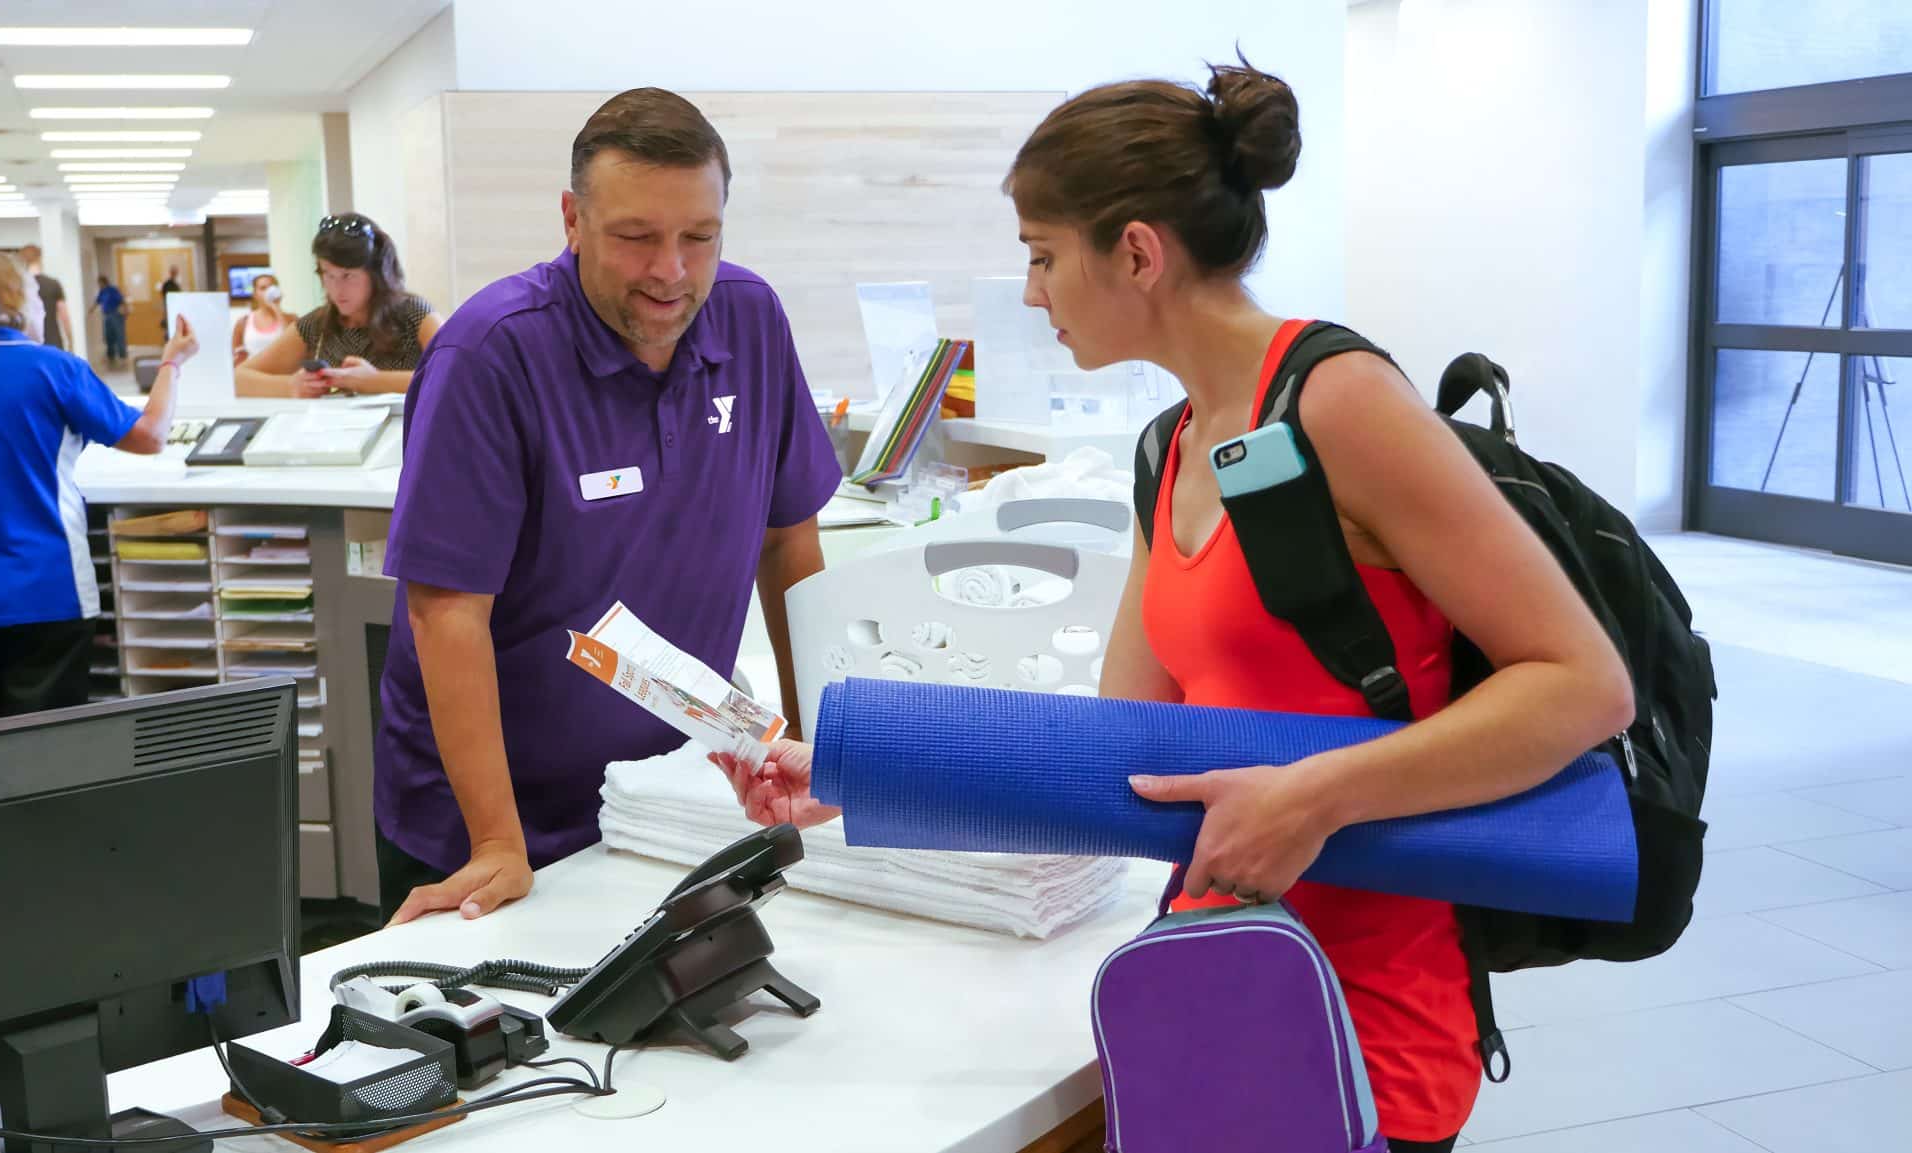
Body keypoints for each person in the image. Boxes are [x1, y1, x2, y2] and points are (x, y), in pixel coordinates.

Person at [711, 62, 1632, 1153]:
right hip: (1221, 975)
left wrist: (1315, 797)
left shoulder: (1342, 403)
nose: (1032, 291)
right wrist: (852, 774)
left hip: (1367, 1024)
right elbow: (1116, 752)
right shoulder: (1173, 444)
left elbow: (1584, 686)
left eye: (1043, 255)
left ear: (1137, 252)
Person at [376, 87, 842, 926]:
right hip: (497, 817)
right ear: (572, 219)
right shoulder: (490, 355)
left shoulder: (751, 321)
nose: (670, 271)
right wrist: (494, 841)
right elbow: (446, 612)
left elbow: (790, 546)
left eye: (699, 238)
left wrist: (822, 757)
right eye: (635, 238)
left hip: (669, 795)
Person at [0, 252, 196, 725]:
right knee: (43, 754)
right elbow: (151, 436)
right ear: (17, 302)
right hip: (48, 592)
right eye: (36, 295)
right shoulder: (54, 368)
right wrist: (171, 363)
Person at [234, 215, 441, 397]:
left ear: (376, 274)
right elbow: (239, 379)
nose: (337, 289)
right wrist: (291, 386)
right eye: (328, 274)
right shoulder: (316, 324)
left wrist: (374, 381)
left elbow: (456, 375)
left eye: (347, 276)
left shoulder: (414, 313)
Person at [20, 244, 71, 353]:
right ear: (39, 258)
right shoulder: (53, 284)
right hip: (52, 342)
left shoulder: (18, 286)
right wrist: (70, 341)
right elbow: (64, 316)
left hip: (28, 344)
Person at [232, 273, 290, 367]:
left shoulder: (289, 318)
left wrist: (277, 308)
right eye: (263, 288)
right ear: (255, 294)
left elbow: (292, 344)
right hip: (254, 376)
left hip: (281, 376)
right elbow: (236, 358)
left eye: (272, 287)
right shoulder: (244, 322)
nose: (269, 292)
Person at [90, 274, 128, 367]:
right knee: (108, 336)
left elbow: (121, 300)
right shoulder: (102, 292)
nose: (98, 285)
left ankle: (122, 356)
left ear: (103, 282)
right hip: (106, 315)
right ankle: (111, 356)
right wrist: (91, 310)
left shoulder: (112, 290)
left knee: (119, 335)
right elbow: (97, 301)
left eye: (99, 283)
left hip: (115, 314)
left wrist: (125, 310)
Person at [159, 266, 181, 337]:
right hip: (170, 307)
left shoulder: (176, 284)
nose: (175, 274)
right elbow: (165, 295)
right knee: (170, 326)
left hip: (175, 307)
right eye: (174, 272)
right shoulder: (168, 284)